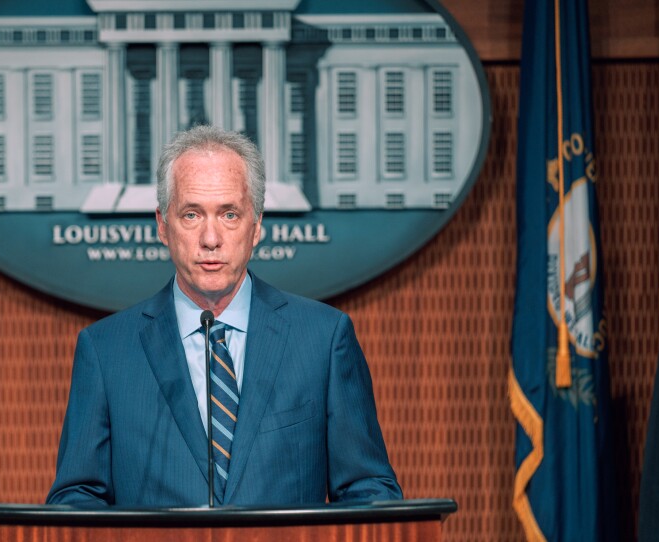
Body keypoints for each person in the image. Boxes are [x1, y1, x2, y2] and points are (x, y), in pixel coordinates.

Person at [47, 125, 402, 507]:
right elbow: (76, 498)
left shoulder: (323, 338)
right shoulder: (106, 351)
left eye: (229, 214)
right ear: (163, 226)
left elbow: (370, 493)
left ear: (257, 226)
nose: (211, 239)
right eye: (191, 215)